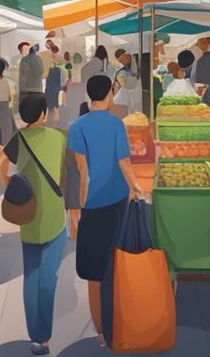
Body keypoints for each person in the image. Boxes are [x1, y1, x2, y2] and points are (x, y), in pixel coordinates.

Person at [67, 74, 143, 350]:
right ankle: (120, 322)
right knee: (117, 266)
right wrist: (135, 187)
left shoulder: (77, 126)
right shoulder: (116, 124)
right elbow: (124, 162)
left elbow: (81, 169)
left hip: (92, 206)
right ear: (109, 95)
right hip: (116, 202)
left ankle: (100, 333)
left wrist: (78, 212)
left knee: (93, 274)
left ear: (89, 95)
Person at [0, 93, 68, 357]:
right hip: (53, 214)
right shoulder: (58, 137)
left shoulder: (18, 139)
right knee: (48, 279)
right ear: (42, 114)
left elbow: (2, 162)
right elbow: (62, 172)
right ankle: (45, 336)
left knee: (31, 275)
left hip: (27, 216)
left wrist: (7, 184)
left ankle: (35, 337)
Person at [64, 102, 90, 239]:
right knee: (79, 204)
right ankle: (77, 234)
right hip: (79, 168)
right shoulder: (88, 128)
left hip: (71, 168)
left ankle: (74, 234)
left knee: (74, 206)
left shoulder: (74, 127)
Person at [44, 44, 65, 122]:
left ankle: (51, 123)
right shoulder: (61, 63)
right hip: (57, 89)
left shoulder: (48, 64)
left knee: (51, 109)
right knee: (55, 109)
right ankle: (54, 124)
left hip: (51, 88)